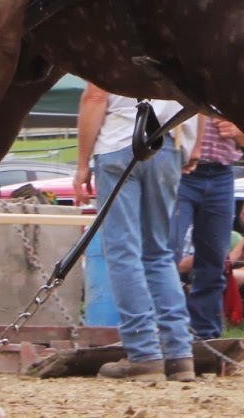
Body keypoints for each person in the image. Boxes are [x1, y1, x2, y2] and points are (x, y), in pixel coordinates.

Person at [76, 86, 196, 382]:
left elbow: (95, 97)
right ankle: (179, 354)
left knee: (123, 251)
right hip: (169, 143)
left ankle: (143, 353)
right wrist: (193, 145)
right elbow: (199, 97)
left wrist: (81, 163)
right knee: (158, 252)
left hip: (120, 141)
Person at [174, 112, 244, 341]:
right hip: (180, 170)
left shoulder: (234, 96)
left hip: (221, 172)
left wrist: (238, 131)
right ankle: (167, 328)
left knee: (214, 258)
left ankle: (206, 334)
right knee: (168, 251)